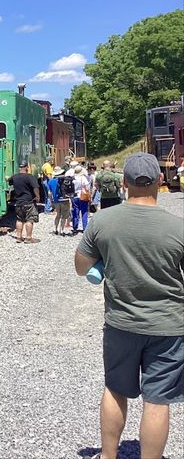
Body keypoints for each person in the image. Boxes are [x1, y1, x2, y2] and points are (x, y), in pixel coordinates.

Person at [74, 152, 184, 459]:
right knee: (157, 400)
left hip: (122, 323)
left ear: (124, 183)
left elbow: (81, 268)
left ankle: (109, 456)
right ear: (160, 181)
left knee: (115, 389)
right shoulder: (178, 227)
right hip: (169, 326)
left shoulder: (103, 222)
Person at [8, 160, 40, 243]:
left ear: (19, 167)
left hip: (18, 202)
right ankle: (28, 238)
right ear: (27, 167)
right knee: (30, 220)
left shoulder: (15, 177)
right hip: (28, 201)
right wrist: (37, 196)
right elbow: (35, 187)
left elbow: (9, 181)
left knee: (19, 220)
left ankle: (19, 237)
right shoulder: (29, 177)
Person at [48, 166, 71, 235]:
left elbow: (49, 193)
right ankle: (62, 230)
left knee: (58, 214)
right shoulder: (65, 180)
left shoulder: (51, 181)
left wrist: (51, 200)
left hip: (56, 200)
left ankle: (55, 229)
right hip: (65, 200)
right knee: (64, 216)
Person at [71, 164, 91, 232]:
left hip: (74, 196)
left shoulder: (72, 178)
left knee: (75, 212)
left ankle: (75, 227)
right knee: (84, 212)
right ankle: (85, 227)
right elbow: (87, 188)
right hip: (83, 196)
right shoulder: (83, 178)